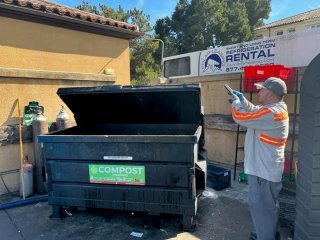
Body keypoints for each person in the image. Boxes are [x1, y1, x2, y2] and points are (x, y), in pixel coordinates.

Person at [229, 77, 289, 240]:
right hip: (265, 170)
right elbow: (255, 111)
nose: (259, 91)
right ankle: (266, 234)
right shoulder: (272, 109)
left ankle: (265, 236)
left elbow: (241, 117)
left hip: (263, 172)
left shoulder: (272, 113)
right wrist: (243, 100)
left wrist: (235, 103)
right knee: (266, 210)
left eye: (262, 89)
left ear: (270, 94)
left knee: (263, 210)